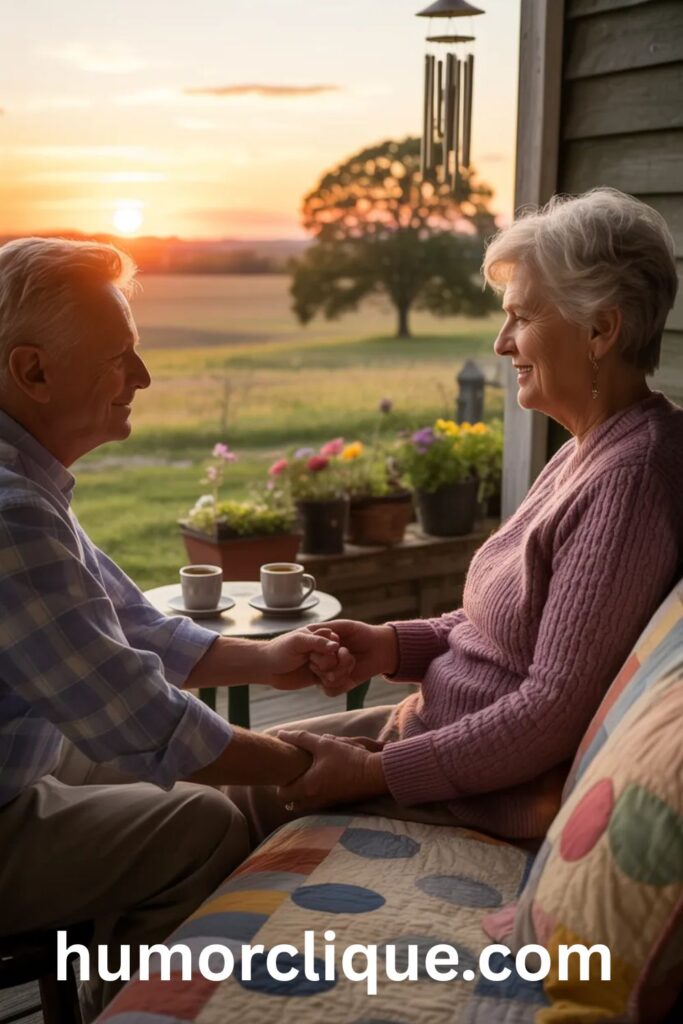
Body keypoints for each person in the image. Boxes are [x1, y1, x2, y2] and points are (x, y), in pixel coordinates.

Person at [227, 187, 683, 849]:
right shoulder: (591, 447)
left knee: (231, 798)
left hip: (486, 794)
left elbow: (549, 711)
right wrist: (389, 646)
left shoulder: (629, 481)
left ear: (599, 329)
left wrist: (374, 772)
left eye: (521, 318)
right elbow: (502, 632)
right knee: (239, 761)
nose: (502, 344)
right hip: (436, 735)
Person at [0, 236, 339, 1021]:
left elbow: (125, 630)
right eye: (120, 356)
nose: (143, 378)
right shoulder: (12, 515)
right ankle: (125, 1007)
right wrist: (301, 762)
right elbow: (136, 716)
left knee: (169, 774)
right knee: (201, 823)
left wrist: (268, 658)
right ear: (32, 371)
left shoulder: (24, 482)